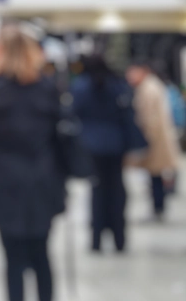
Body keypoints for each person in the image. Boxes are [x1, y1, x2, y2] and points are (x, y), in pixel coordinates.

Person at [0, 25, 68, 301]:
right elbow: (59, 135)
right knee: (41, 254)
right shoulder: (48, 88)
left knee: (12, 257)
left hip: (3, 180)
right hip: (43, 178)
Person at [71, 55, 139, 253]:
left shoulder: (81, 86)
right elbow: (128, 115)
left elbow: (73, 112)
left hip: (91, 146)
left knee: (97, 192)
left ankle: (96, 239)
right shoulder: (117, 85)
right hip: (116, 145)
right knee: (117, 191)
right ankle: (119, 239)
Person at [126, 60, 181, 221]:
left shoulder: (148, 89)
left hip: (154, 140)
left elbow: (149, 118)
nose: (129, 76)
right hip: (157, 138)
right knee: (155, 176)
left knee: (156, 175)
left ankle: (158, 208)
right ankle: (158, 207)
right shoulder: (150, 86)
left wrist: (143, 141)